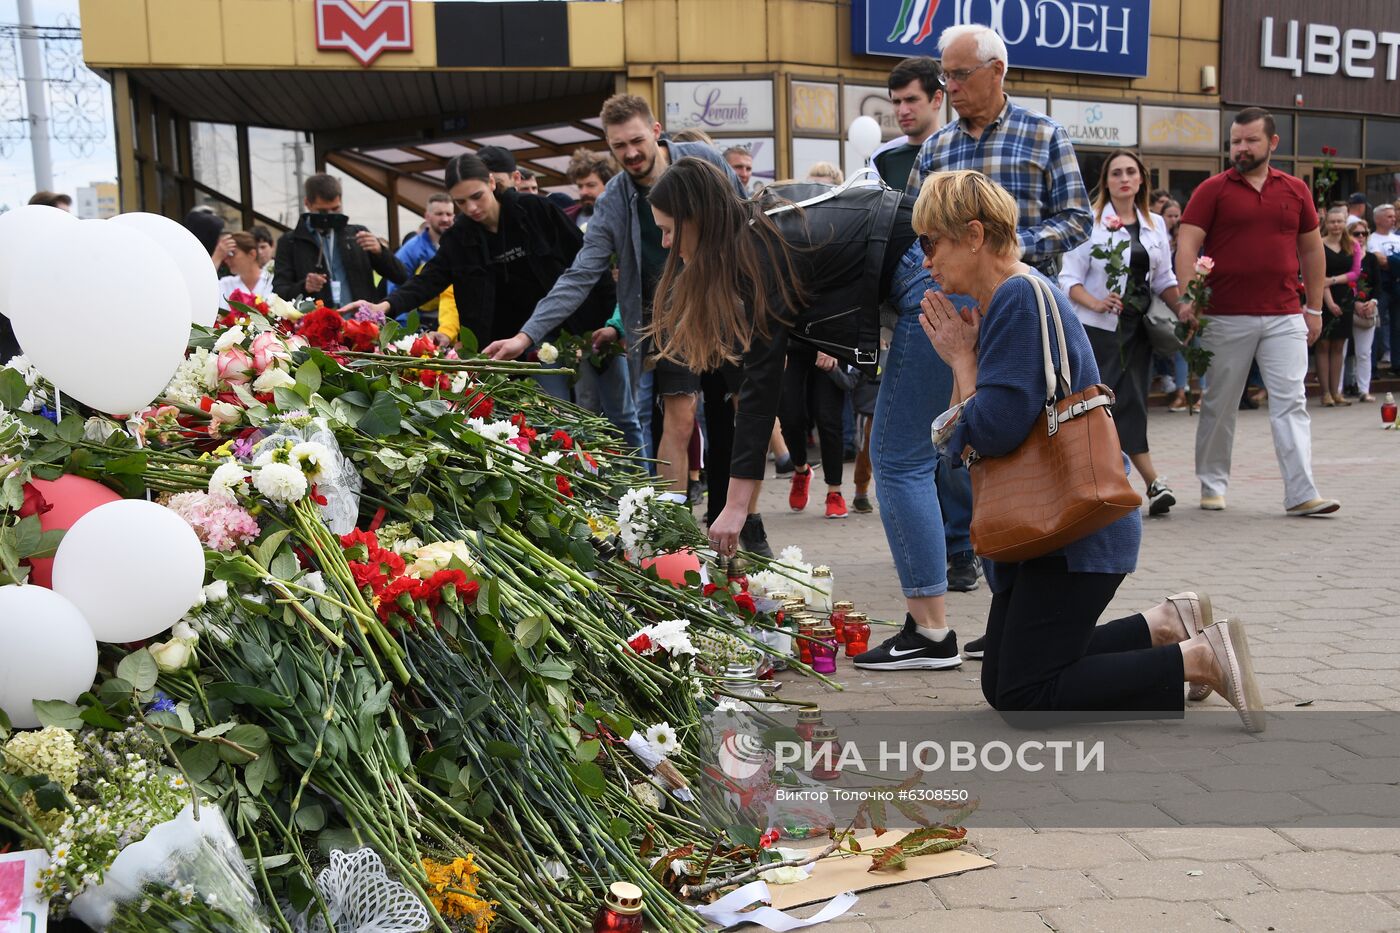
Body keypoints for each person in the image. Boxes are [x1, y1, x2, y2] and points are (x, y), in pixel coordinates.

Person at [915, 169, 1263, 731]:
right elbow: (982, 430)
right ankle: (1165, 625)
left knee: (1025, 695)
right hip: (1049, 528)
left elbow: (993, 430)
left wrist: (960, 360)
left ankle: (1196, 658)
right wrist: (967, 370)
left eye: (930, 242)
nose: (925, 260)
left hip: (1072, 528)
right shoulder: (1018, 293)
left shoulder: (1017, 299)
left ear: (974, 235)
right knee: (1002, 680)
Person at [642, 156, 970, 668]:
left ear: (694, 218)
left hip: (925, 273)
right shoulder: (751, 234)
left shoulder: (756, 249)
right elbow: (750, 380)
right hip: (926, 264)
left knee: (898, 459)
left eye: (667, 230)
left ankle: (930, 635)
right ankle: (1003, 618)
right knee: (957, 450)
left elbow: (762, 385)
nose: (665, 244)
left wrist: (734, 504)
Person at [479, 95, 764, 550]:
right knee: (679, 415)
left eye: (636, 140)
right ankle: (674, 532)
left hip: (723, 298)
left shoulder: (703, 161)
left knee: (737, 410)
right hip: (665, 315)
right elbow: (581, 272)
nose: (630, 153)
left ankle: (747, 521)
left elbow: (749, 219)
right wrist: (526, 334)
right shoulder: (616, 198)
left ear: (655, 130)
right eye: (619, 146)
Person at [896, 23, 1093, 660]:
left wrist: (1009, 259)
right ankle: (975, 561)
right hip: (951, 313)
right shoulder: (938, 146)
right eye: (944, 77)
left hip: (1020, 309)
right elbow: (914, 229)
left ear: (998, 71)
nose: (948, 88)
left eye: (958, 76)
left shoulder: (1045, 135)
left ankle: (1028, 572)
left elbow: (1077, 221)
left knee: (1008, 436)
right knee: (962, 442)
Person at [1175, 107, 1339, 517]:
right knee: (1220, 403)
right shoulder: (1212, 189)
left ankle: (1302, 493)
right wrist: (1187, 295)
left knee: (1292, 401)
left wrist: (1314, 308)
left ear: (1273, 143)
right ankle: (1212, 485)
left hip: (1285, 314)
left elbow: (1312, 250)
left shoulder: (1296, 190)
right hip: (1225, 315)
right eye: (1235, 141)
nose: (1241, 149)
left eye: (1250, 140)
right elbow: (1188, 244)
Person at [346, 154, 614, 403]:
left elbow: (588, 263)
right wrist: (383, 306)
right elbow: (427, 280)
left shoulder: (536, 211)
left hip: (565, 331)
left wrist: (612, 318)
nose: (472, 208)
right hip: (500, 348)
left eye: (477, 196)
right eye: (461, 203)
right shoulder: (459, 237)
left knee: (594, 407)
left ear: (492, 182)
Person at [1060, 151, 1182, 515]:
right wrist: (1096, 302)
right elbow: (1068, 279)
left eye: (1131, 172)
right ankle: (1111, 482)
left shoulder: (1155, 223)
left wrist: (1186, 311)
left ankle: (1146, 485)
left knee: (1133, 403)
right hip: (1099, 331)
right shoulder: (1091, 223)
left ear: (1142, 179)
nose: (1124, 178)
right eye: (1117, 173)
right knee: (1098, 406)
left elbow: (1164, 279)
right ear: (1106, 181)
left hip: (1138, 328)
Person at [271, 174, 407, 306]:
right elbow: (279, 292)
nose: (330, 216)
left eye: (335, 209)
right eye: (322, 211)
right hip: (317, 325)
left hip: (362, 324)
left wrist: (380, 252)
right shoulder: (290, 242)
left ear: (341, 201)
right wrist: (304, 287)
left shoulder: (358, 234)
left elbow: (401, 276)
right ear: (307, 203)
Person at [871, 55, 944, 194]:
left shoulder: (956, 149)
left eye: (911, 100)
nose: (903, 111)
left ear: (937, 99)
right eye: (896, 102)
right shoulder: (882, 160)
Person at [389, 192, 456, 329]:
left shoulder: (459, 246)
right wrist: (406, 331)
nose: (445, 219)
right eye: (439, 214)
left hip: (452, 323)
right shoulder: (411, 250)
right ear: (427, 216)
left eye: (449, 214)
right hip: (420, 324)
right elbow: (396, 287)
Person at [1317, 206, 1357, 407]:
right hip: (1323, 298)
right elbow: (1318, 275)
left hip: (1344, 297)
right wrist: (1329, 302)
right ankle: (1325, 393)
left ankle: (1336, 391)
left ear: (1345, 223)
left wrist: (1332, 280)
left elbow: (1355, 272)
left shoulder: (1352, 244)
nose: (1336, 225)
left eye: (1340, 221)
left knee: (1339, 345)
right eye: (1332, 222)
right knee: (1323, 344)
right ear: (1326, 224)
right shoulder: (1319, 244)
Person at [1346, 216, 1382, 402]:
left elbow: (1377, 284)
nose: (1360, 237)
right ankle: (1338, 388)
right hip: (1346, 306)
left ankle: (1363, 389)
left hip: (1367, 308)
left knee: (1364, 351)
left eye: (1364, 233)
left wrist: (1372, 301)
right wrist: (1354, 303)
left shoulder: (1371, 258)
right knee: (1342, 350)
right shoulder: (1345, 255)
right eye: (1356, 233)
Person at [1367, 202, 1400, 373]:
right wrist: (1395, 261)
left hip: (1397, 286)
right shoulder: (1372, 239)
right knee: (1377, 327)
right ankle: (1372, 367)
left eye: (1394, 216)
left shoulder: (1397, 238)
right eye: (1389, 216)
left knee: (1397, 327)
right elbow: (1379, 261)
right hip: (1382, 287)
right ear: (1378, 219)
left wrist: (1390, 261)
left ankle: (1397, 365)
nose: (1393, 219)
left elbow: (1386, 261)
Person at [564, 148, 617, 231]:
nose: (583, 192)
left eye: (591, 185)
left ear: (608, 184)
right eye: (580, 186)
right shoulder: (565, 218)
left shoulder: (624, 216)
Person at [218, 232, 274, 309]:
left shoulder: (272, 281)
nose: (226, 260)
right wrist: (217, 256)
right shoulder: (225, 283)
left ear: (252, 254)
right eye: (225, 255)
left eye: (232, 254)